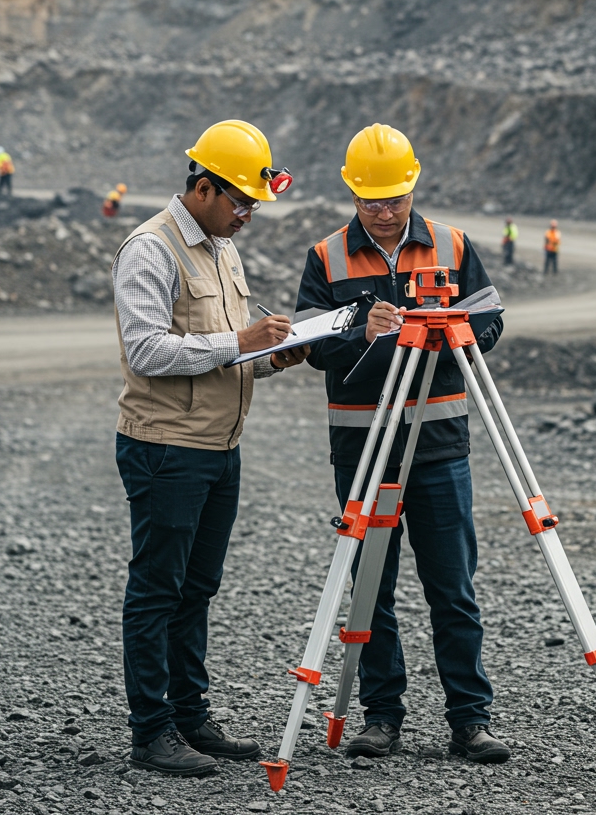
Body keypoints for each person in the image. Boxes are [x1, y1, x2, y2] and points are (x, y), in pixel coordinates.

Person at [295, 123, 510, 765]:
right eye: (372, 202)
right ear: (353, 195)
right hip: (362, 449)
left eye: (394, 199)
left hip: (439, 444)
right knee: (372, 589)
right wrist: (361, 329)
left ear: (413, 186)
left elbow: (491, 319)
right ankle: (381, 715)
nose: (385, 213)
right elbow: (308, 344)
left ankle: (469, 719)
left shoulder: (453, 244)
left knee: (453, 587)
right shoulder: (326, 257)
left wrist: (451, 330)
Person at [112, 120, 309, 777]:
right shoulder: (150, 249)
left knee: (197, 587)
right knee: (157, 588)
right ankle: (152, 731)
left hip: (218, 448)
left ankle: (190, 717)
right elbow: (146, 350)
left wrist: (276, 356)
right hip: (167, 448)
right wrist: (243, 343)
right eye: (241, 201)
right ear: (202, 186)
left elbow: (224, 351)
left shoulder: (223, 246)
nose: (248, 215)